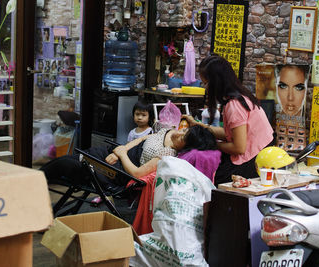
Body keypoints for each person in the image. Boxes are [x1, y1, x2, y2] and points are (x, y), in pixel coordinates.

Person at [182, 55, 274, 186]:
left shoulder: (234, 105)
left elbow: (238, 147)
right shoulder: (241, 97)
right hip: (261, 151)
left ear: (216, 82)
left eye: (205, 83)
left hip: (253, 160)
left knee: (215, 179)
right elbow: (230, 134)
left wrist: (210, 144)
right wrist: (199, 126)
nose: (205, 88)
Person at [41, 125, 219, 188]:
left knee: (63, 164)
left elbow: (136, 174)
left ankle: (32, 189)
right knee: (62, 162)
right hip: (115, 156)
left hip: (117, 173)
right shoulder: (168, 131)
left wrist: (122, 155)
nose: (179, 134)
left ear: (186, 147)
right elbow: (143, 139)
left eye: (183, 138)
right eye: (184, 130)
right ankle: (33, 187)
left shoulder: (168, 155)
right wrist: (123, 149)